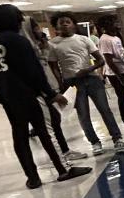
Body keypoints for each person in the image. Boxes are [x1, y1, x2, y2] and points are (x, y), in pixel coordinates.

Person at [0, 4, 91, 189]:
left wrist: (2, 95)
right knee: (45, 132)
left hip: (8, 97)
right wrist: (51, 94)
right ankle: (63, 169)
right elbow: (33, 72)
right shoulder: (18, 41)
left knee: (20, 136)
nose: (20, 22)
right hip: (29, 96)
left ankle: (32, 177)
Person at [48, 15, 124, 156]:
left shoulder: (83, 39)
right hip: (72, 82)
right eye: (61, 23)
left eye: (68, 22)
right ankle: (95, 142)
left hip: (92, 79)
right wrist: (61, 84)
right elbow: (54, 66)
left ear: (74, 24)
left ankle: (117, 138)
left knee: (105, 109)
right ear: (56, 26)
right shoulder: (53, 44)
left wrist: (88, 69)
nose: (65, 25)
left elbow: (100, 60)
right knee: (83, 114)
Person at [28, 17, 88, 163]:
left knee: (56, 121)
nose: (39, 30)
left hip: (50, 88)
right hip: (42, 92)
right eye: (35, 28)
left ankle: (65, 152)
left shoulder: (41, 45)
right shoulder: (28, 48)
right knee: (49, 126)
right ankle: (60, 160)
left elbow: (47, 62)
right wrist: (51, 92)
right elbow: (39, 70)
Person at [97, 16, 124, 135]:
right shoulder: (105, 39)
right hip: (117, 74)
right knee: (123, 98)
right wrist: (121, 78)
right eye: (113, 22)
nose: (116, 24)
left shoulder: (116, 37)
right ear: (105, 26)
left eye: (116, 21)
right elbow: (109, 60)